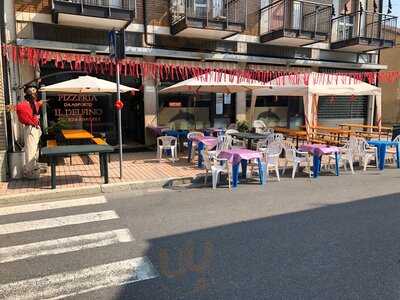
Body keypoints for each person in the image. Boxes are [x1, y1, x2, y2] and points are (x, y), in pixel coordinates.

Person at [15, 83, 43, 179]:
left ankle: (34, 168)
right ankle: (29, 172)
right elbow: (24, 118)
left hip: (36, 128)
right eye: (31, 91)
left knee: (35, 149)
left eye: (35, 91)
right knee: (31, 150)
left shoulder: (35, 104)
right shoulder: (22, 105)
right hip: (30, 128)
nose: (33, 93)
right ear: (27, 93)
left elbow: (36, 106)